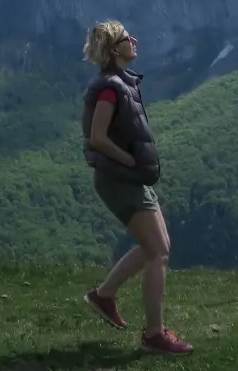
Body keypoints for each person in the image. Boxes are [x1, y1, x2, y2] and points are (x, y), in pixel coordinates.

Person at [79, 20, 193, 355]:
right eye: (128, 38)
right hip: (119, 179)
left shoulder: (119, 83)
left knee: (157, 247)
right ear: (115, 49)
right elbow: (98, 137)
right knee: (158, 251)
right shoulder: (110, 87)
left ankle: (103, 295)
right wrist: (129, 160)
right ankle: (154, 335)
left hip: (128, 178)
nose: (135, 40)